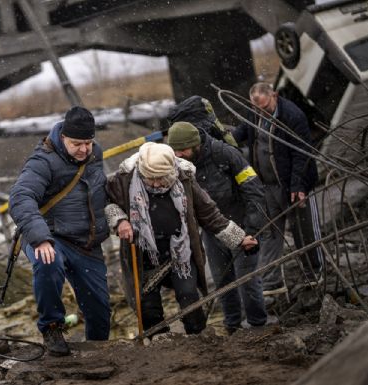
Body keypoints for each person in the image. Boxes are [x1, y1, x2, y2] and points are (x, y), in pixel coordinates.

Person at [105, 142, 258, 335]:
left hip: (180, 252)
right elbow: (109, 203)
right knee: (147, 306)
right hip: (142, 252)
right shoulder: (124, 179)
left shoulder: (184, 179)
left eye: (161, 178)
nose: (155, 184)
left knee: (189, 297)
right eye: (150, 178)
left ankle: (199, 338)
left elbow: (209, 214)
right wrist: (120, 221)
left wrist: (239, 239)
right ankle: (159, 344)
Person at [9, 106, 110, 356]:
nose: (84, 149)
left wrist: (119, 219)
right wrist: (41, 239)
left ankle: (97, 350)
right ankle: (52, 327)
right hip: (50, 236)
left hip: (85, 243)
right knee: (48, 262)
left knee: (100, 310)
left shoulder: (95, 155)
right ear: (63, 136)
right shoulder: (43, 160)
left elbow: (100, 192)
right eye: (77, 143)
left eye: (88, 142)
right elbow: (20, 197)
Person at [167, 121, 268, 334]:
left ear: (196, 145)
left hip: (241, 227)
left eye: (183, 150)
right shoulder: (179, 164)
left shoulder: (226, 155)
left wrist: (252, 229)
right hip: (212, 232)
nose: (179, 155)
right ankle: (232, 327)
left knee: (247, 280)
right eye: (175, 151)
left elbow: (254, 191)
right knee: (223, 282)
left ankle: (258, 327)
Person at [233, 82, 323, 297]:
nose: (261, 112)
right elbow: (243, 131)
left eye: (265, 107)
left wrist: (298, 186)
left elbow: (302, 153)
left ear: (274, 95)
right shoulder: (254, 112)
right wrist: (228, 140)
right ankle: (272, 282)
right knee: (270, 233)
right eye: (257, 109)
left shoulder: (293, 116)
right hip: (267, 186)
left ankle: (315, 274)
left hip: (292, 184)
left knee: (304, 231)